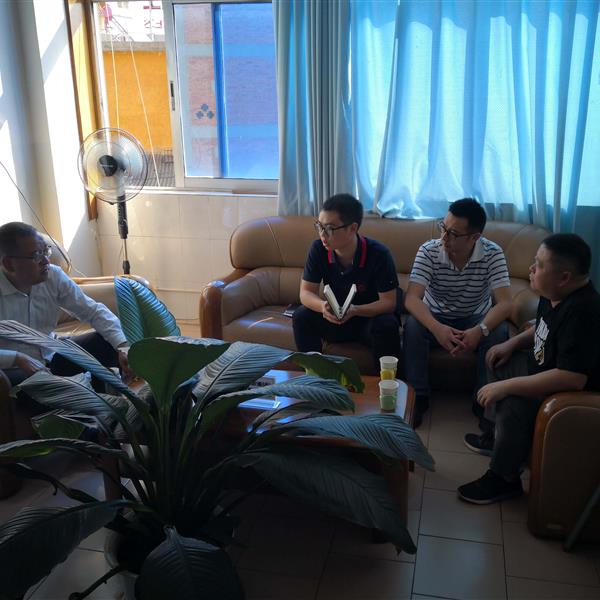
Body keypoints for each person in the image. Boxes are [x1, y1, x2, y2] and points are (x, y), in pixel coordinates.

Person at [458, 233, 600, 504]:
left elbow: (572, 378)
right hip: (540, 368)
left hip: (566, 395)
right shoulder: (553, 293)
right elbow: (543, 328)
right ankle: (495, 436)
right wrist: (511, 343)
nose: (531, 269)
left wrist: (505, 386)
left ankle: (504, 477)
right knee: (495, 357)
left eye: (540, 264)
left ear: (564, 277)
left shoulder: (584, 313)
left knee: (512, 401)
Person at [404, 198, 512, 427]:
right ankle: (418, 397)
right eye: (442, 227)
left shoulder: (493, 253)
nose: (444, 237)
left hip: (475, 317)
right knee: (413, 325)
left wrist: (480, 330)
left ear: (475, 237)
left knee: (499, 331)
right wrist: (436, 328)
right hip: (435, 315)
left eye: (453, 233)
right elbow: (412, 298)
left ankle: (482, 401)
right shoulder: (429, 250)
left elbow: (505, 304)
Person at [0, 222, 131, 390]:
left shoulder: (53, 275)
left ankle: (108, 402)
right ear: (9, 264)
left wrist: (122, 346)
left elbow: (93, 311)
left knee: (104, 341)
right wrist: (16, 358)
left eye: (45, 251)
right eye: (36, 255)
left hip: (52, 356)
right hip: (13, 371)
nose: (46, 261)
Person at [293, 193, 401, 367]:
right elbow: (305, 293)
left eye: (330, 228)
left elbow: (389, 303)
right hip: (334, 320)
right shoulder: (318, 249)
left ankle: (388, 380)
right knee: (301, 316)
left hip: (367, 321)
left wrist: (356, 310)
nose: (322, 234)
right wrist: (322, 307)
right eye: (319, 226)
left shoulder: (379, 254)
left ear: (352, 228)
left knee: (387, 324)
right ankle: (314, 374)